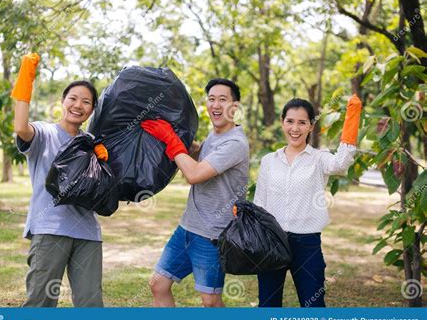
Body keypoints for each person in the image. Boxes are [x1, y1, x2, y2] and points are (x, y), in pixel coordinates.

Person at [141, 78, 249, 307]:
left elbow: (194, 174)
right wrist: (185, 144)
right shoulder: (215, 136)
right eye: (211, 99)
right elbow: (201, 159)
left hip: (213, 234)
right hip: (187, 228)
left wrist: (171, 139)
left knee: (210, 301)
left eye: (223, 99)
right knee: (158, 284)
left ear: (235, 107)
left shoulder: (235, 143)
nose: (216, 105)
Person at [11, 53, 108, 307]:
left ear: (92, 110)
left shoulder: (92, 144)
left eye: (86, 102)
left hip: (87, 232)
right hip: (49, 229)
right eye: (73, 98)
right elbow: (21, 128)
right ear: (62, 101)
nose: (78, 105)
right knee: (41, 304)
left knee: (91, 305)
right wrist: (25, 80)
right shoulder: (44, 133)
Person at [253, 95, 362, 307]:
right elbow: (260, 203)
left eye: (302, 122)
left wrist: (353, 115)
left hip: (306, 244)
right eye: (290, 121)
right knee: (268, 305)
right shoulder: (269, 161)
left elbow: (341, 164)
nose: (295, 128)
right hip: (271, 242)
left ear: (311, 126)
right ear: (282, 122)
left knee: (313, 306)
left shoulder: (319, 158)